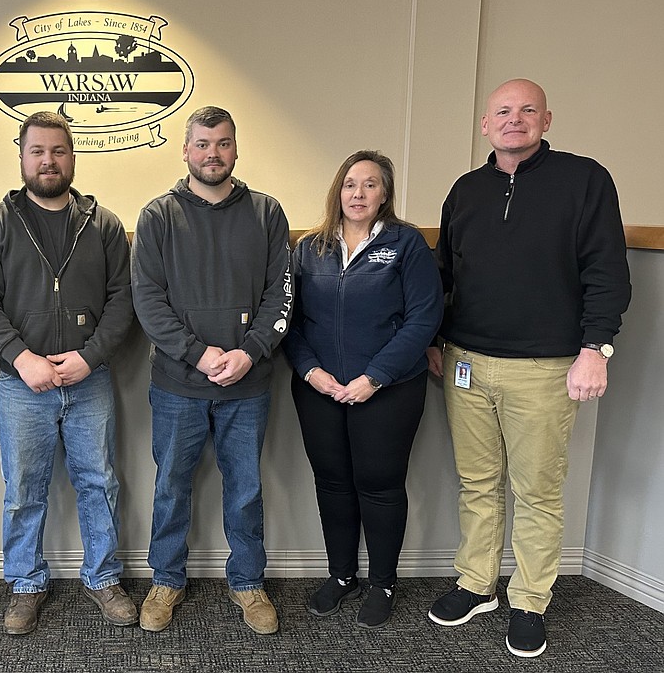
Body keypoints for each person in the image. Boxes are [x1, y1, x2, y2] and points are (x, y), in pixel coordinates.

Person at [426, 79, 631, 657]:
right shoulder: (466, 190)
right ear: (485, 126)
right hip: (465, 361)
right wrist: (437, 338)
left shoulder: (584, 180)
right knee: (478, 484)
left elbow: (607, 271)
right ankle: (476, 583)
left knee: (537, 490)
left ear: (546, 119)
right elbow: (447, 272)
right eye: (502, 112)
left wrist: (597, 348)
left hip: (544, 367)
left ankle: (530, 600)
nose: (514, 120)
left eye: (527, 110)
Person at [0, 111, 136, 635]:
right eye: (37, 151)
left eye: (58, 151)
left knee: (99, 482)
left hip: (90, 380)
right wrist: (22, 357)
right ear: (21, 156)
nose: (48, 160)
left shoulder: (101, 223)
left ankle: (104, 577)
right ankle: (25, 584)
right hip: (22, 384)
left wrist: (91, 356)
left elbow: (122, 300)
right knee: (23, 490)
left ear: (73, 157)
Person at [131, 106, 292, 635]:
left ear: (235, 149)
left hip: (248, 384)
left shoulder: (267, 213)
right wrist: (198, 354)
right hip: (178, 385)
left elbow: (280, 296)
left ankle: (247, 583)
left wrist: (250, 350)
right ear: (185, 150)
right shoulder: (158, 216)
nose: (212, 153)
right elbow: (148, 302)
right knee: (171, 486)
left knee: (245, 487)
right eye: (202, 144)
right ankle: (166, 579)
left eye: (222, 143)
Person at [283, 151, 442, 629]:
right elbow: (288, 320)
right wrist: (312, 372)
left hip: (389, 388)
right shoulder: (310, 248)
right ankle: (341, 575)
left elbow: (423, 318)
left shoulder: (406, 244)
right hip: (319, 388)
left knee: (379, 485)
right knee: (332, 483)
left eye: (371, 185)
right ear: (338, 190)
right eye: (351, 184)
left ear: (385, 194)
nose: (359, 193)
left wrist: (374, 378)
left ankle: (383, 583)